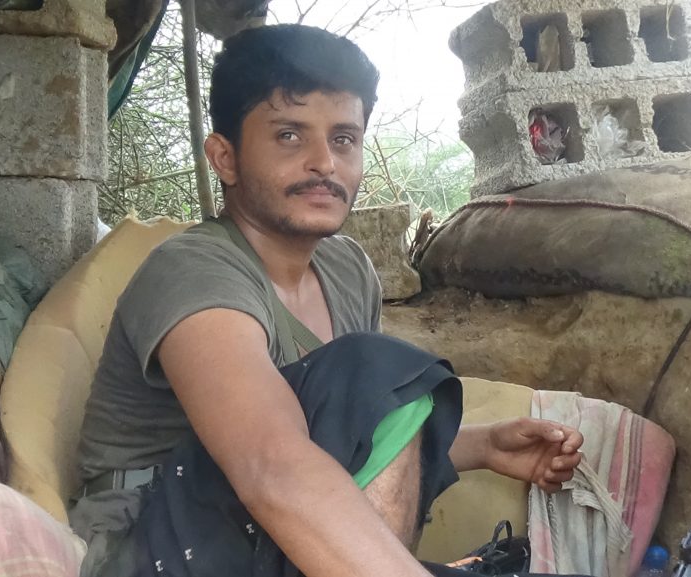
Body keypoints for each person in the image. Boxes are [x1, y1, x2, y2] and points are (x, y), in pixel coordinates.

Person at [70, 24, 584, 577]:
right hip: (146, 546)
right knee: (375, 367)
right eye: (290, 136)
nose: (325, 162)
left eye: (343, 139)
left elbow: (357, 437)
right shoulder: (193, 271)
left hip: (257, 539)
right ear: (225, 157)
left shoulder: (346, 269)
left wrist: (483, 446)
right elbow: (271, 465)